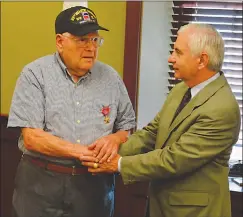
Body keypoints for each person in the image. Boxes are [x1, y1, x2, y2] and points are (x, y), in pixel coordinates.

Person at [82, 23, 241, 217]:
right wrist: (103, 153)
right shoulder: (181, 89)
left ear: (202, 60)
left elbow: (174, 159)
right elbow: (152, 133)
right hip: (162, 205)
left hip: (195, 211)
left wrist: (118, 164)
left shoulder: (222, 108)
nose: (170, 58)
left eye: (178, 52)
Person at [8, 6, 135, 217]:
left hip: (94, 185)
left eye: (95, 40)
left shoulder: (110, 78)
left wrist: (115, 139)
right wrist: (82, 152)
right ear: (60, 42)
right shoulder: (35, 75)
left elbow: (127, 126)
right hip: (41, 182)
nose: (91, 48)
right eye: (82, 40)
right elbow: (31, 138)